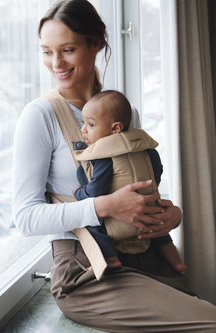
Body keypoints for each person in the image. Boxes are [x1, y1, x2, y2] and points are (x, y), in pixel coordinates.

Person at [12, 0, 216, 331]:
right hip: (86, 268)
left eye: (66, 50)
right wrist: (105, 206)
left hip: (142, 252)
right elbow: (25, 218)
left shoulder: (124, 112)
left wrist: (171, 214)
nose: (55, 63)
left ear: (97, 44)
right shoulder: (40, 116)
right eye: (46, 52)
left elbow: (139, 186)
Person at [72, 90, 187, 273]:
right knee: (157, 226)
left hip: (119, 224)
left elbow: (96, 190)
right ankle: (176, 261)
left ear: (115, 128)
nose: (83, 129)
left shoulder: (103, 155)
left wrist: (80, 193)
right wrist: (152, 185)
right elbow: (157, 168)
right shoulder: (143, 146)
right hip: (148, 210)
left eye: (91, 124)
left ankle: (109, 258)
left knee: (90, 223)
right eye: (83, 123)